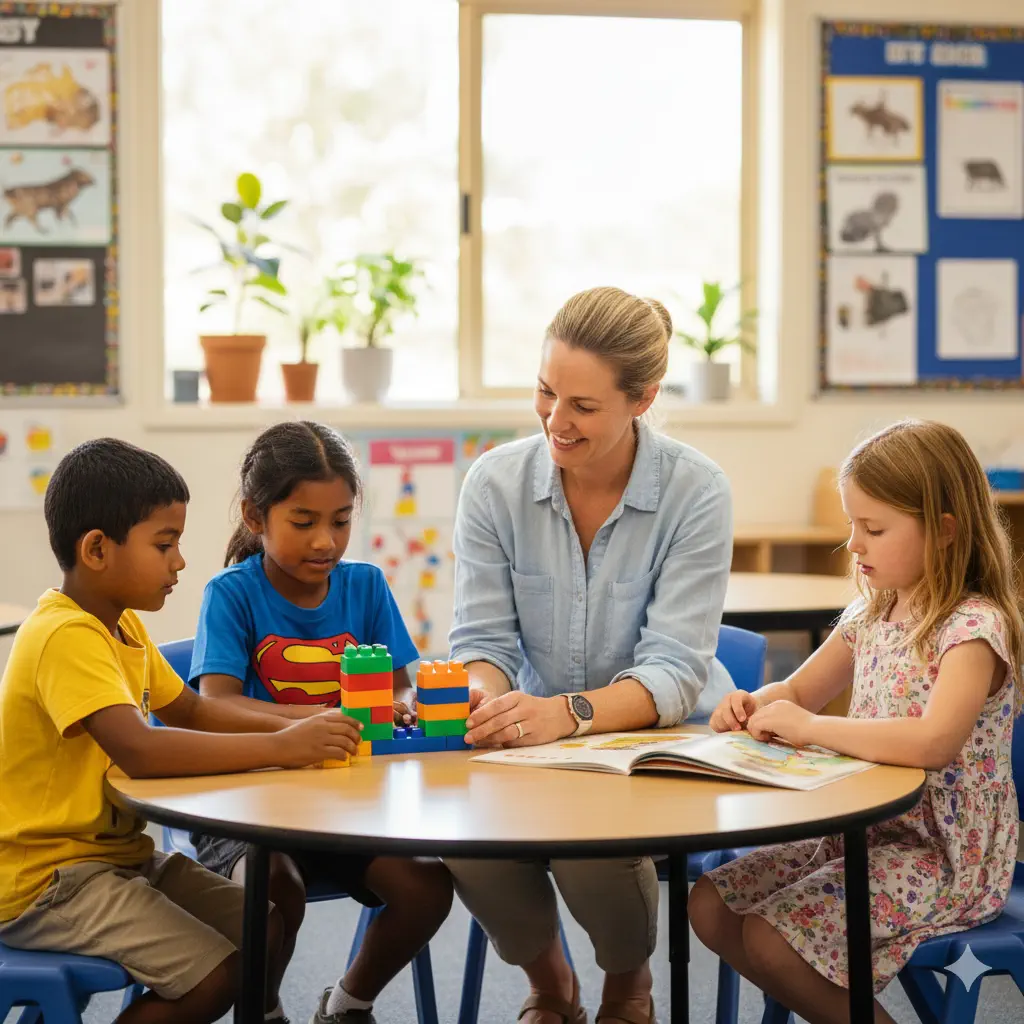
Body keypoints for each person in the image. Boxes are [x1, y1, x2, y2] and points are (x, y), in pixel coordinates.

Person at [446, 286, 735, 1024]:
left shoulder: (697, 491)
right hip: (536, 738)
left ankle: (627, 986)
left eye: (582, 405)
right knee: (463, 830)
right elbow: (483, 642)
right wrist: (483, 698)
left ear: (642, 399)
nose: (555, 420)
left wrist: (567, 714)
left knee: (588, 840)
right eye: (546, 392)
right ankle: (550, 983)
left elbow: (674, 669)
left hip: (661, 739)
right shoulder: (494, 484)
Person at [0, 438, 360, 1024]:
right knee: (214, 977)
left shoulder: (122, 627)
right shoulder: (65, 635)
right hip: (50, 880)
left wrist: (304, 721)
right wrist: (281, 746)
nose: (180, 562)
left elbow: (191, 711)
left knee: (263, 923)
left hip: (119, 859)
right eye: (164, 544)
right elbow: (140, 750)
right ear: (97, 549)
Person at [691, 419, 1024, 1024]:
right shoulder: (872, 611)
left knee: (771, 938)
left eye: (873, 529)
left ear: (945, 530)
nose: (854, 545)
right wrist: (753, 704)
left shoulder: (973, 627)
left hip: (942, 855)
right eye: (852, 525)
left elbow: (935, 741)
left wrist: (810, 728)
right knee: (711, 904)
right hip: (858, 830)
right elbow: (799, 690)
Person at [189, 420, 453, 1024]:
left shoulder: (366, 586)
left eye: (340, 521)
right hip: (250, 807)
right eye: (303, 522)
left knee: (427, 888)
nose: (325, 541)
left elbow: (398, 686)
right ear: (255, 517)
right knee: (274, 892)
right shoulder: (231, 593)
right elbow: (216, 704)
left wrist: (402, 704)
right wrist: (310, 721)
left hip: (348, 807)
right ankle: (263, 1008)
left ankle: (347, 1003)